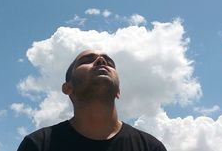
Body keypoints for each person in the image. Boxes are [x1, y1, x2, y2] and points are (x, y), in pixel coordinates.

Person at [17, 49, 167, 151]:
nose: (101, 60)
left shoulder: (151, 147)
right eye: (87, 60)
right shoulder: (37, 145)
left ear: (118, 92)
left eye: (109, 63)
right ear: (67, 88)